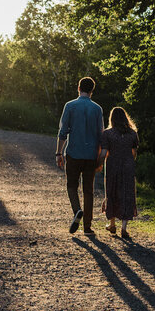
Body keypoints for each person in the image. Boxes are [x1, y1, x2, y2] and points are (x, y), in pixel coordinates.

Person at [56, 76, 103, 235]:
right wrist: (100, 158)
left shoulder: (70, 106)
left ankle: (77, 210)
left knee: (71, 186)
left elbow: (63, 133)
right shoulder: (97, 109)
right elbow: (100, 135)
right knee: (88, 190)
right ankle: (87, 227)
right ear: (92, 91)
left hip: (73, 153)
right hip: (91, 156)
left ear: (78, 88)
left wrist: (58, 153)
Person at [98, 106, 139, 239]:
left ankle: (112, 224)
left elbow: (104, 152)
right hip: (128, 166)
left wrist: (97, 164)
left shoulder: (107, 133)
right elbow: (134, 153)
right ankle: (124, 228)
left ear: (112, 119)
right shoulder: (133, 134)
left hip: (112, 166)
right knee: (127, 193)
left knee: (112, 191)